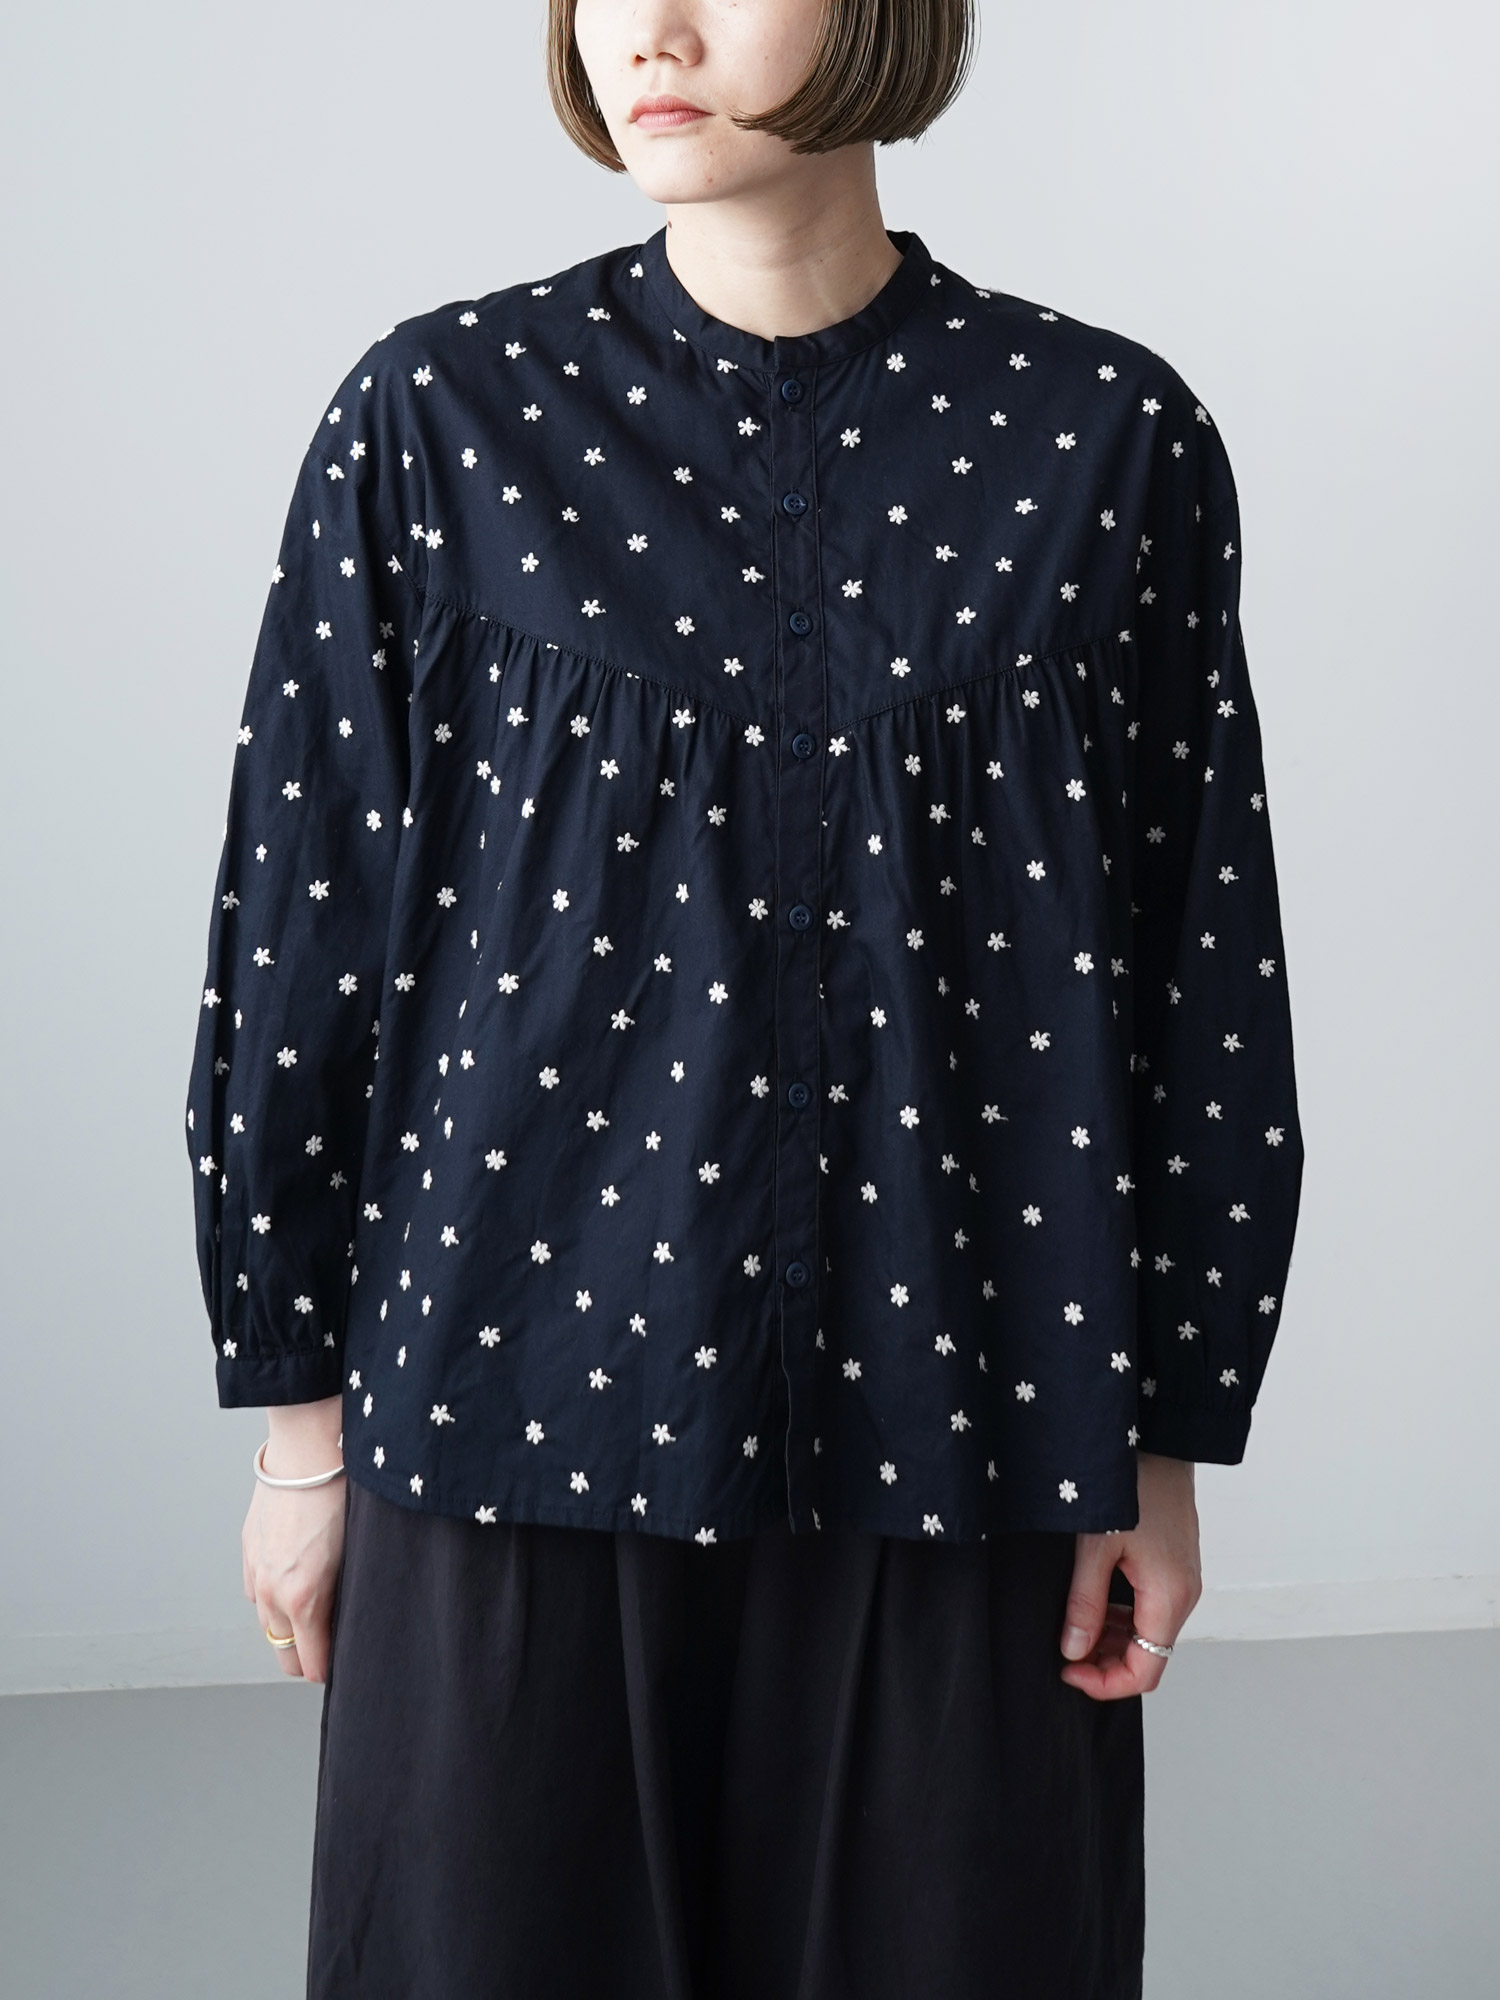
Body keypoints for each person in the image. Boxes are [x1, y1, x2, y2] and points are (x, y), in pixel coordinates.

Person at [185, 2, 1304, 1994]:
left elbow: (1196, 974)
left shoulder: (1101, 442)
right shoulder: (440, 423)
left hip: (972, 1431)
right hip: (507, 1429)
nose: (655, 28)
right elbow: (300, 939)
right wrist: (300, 1437)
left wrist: (1162, 1441)